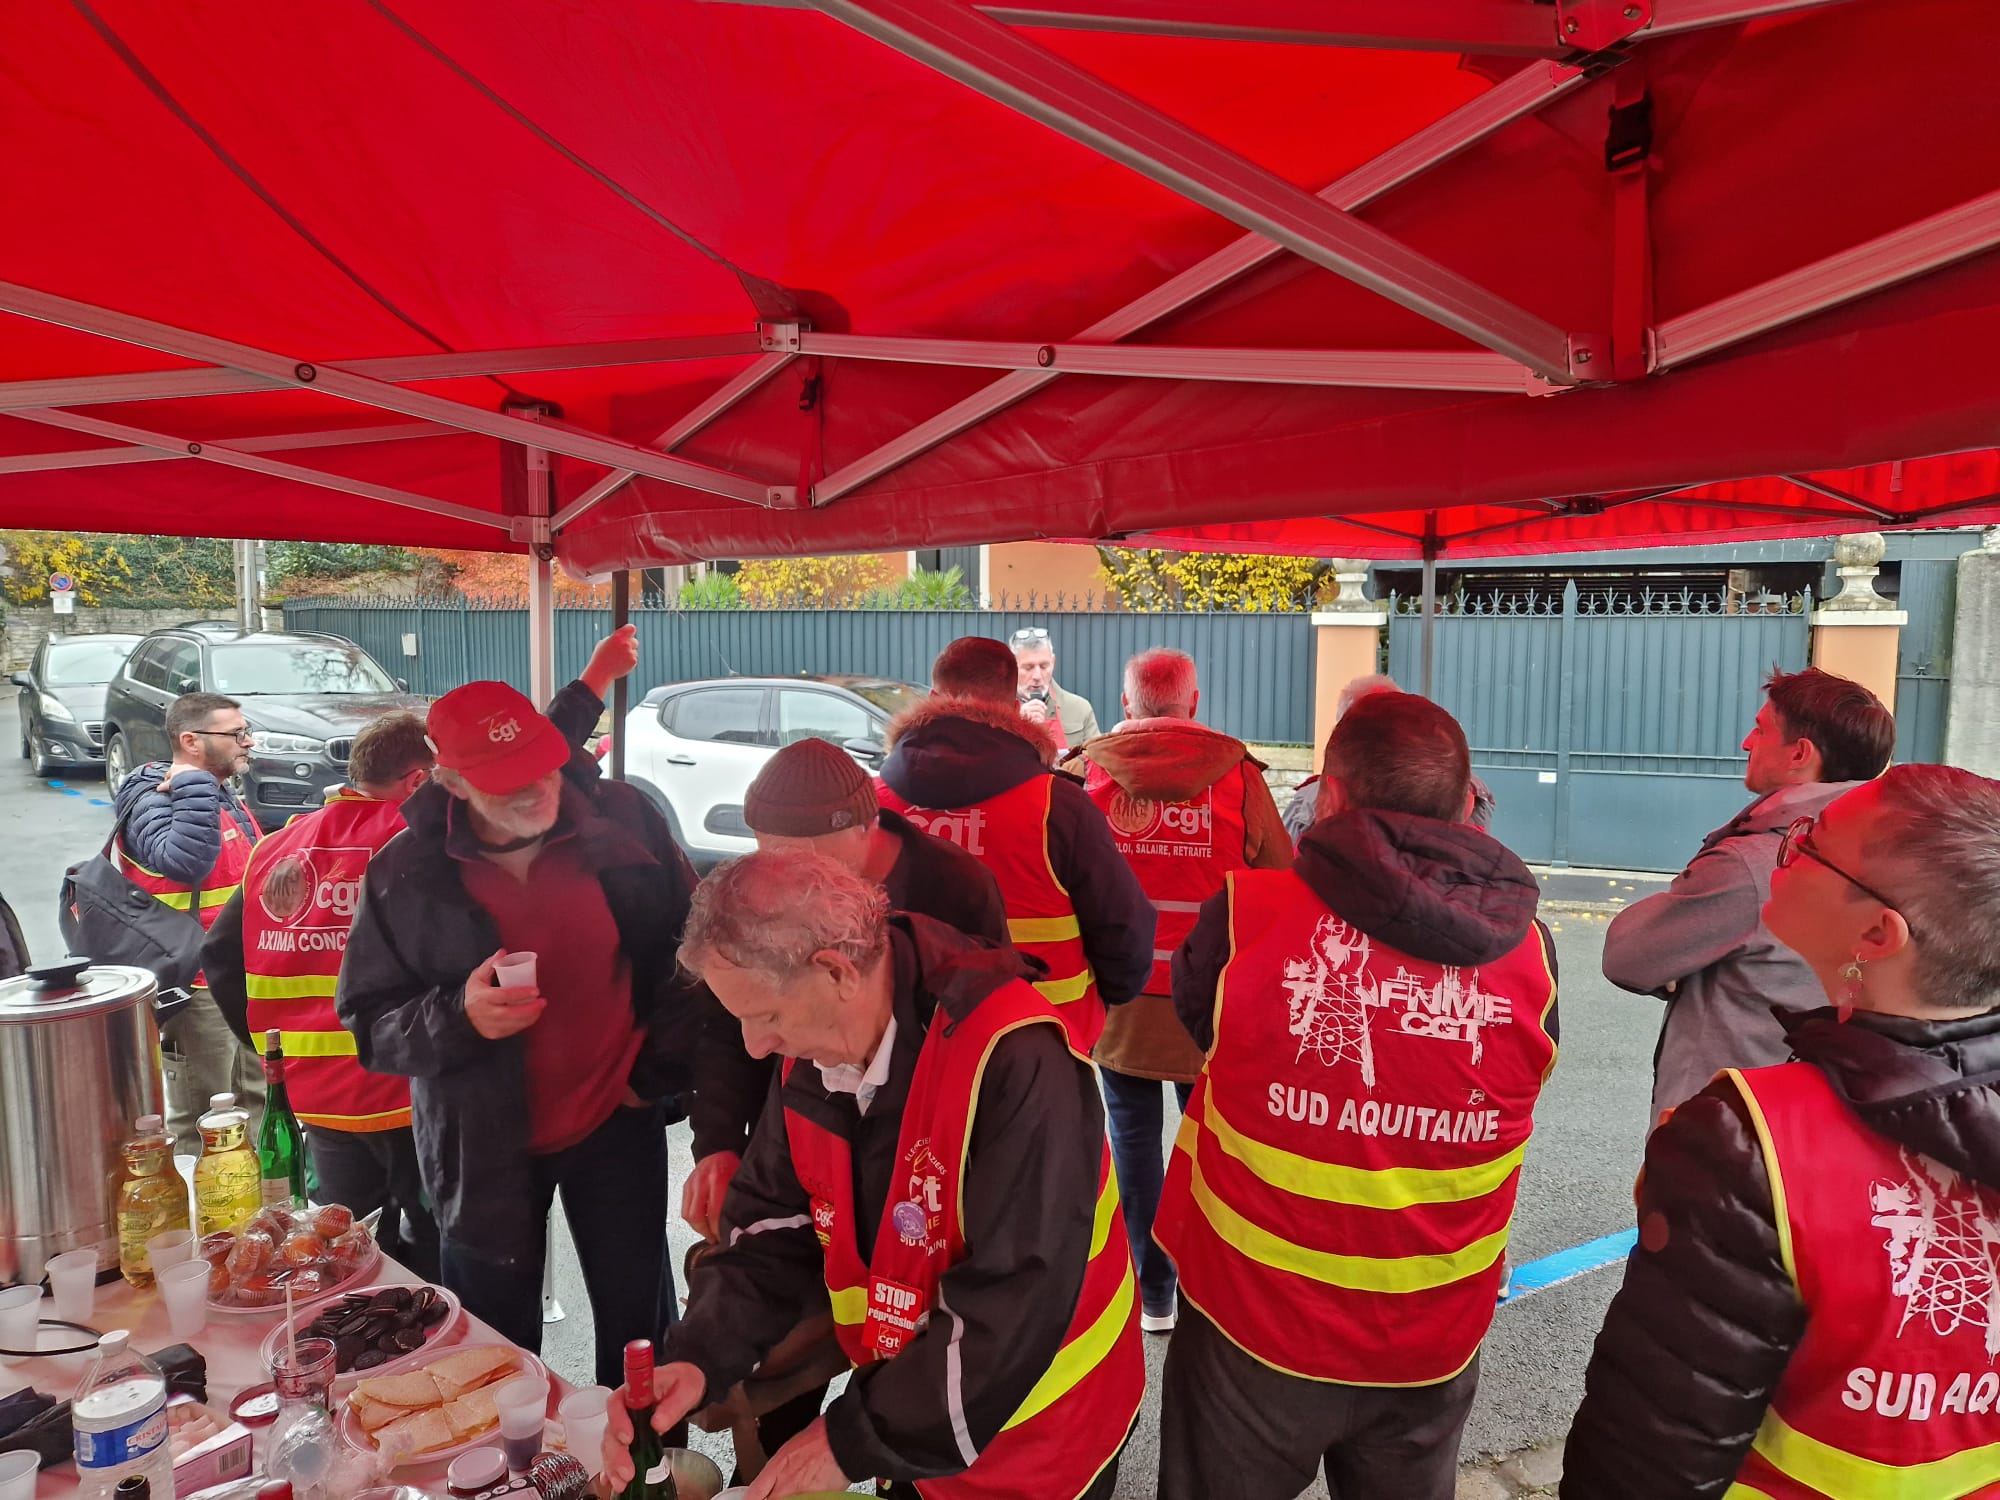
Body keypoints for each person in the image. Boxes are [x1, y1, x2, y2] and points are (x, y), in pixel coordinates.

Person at [604, 851, 1144, 1500]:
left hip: (1042, 1435)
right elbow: (771, 1230)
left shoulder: (1015, 1057)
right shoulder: (818, 1048)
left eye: (765, 1016)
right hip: (915, 1417)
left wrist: (847, 1440)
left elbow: (1013, 1298)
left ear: (835, 971)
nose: (753, 1046)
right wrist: (698, 1357)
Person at [1152, 690, 1559, 1500]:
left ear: (1329, 798)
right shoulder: (1533, 951)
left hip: (1252, 1319)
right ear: (1465, 802)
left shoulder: (1246, 914)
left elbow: (1206, 1032)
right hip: (1431, 1328)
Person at [1563, 764, 2000, 1499]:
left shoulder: (1750, 1139)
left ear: (1876, 932)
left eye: (1807, 843)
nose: (1783, 850)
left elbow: (1653, 1451)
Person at [203, 628, 642, 1279]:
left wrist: (274, 1055)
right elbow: (535, 757)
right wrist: (595, 681)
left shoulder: (275, 848)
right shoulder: (405, 841)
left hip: (317, 1097)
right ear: (429, 782)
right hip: (404, 1094)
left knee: (339, 1264)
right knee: (434, 1251)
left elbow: (219, 959)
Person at [335, 674, 702, 1391]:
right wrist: (459, 1015)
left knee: (639, 1326)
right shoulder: (405, 873)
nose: (535, 789)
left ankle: (640, 1452)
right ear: (450, 782)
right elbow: (370, 1024)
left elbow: (690, 954)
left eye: (542, 765)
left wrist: (656, 1076)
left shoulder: (624, 821)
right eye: (506, 780)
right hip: (481, 1146)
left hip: (615, 1117)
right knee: (494, 1347)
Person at [1064, 646, 1291, 1334]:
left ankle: (1153, 1292)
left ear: (1126, 704)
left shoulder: (1084, 773)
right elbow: (1281, 882)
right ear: (1193, 704)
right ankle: (1206, 1285)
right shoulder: (1238, 777)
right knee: (1211, 1146)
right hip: (1210, 1005)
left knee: (1132, 1141)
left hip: (1121, 1000)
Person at [1603, 666, 1895, 1122]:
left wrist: (1688, 958)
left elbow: (1629, 957)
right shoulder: (1892, 852)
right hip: (1829, 1115)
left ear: (1799, 753)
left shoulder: (1754, 864)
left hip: (1729, 1124)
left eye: (1760, 730)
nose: (1746, 743)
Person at [877, 635, 1154, 1050]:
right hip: (1045, 1040)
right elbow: (1124, 929)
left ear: (933, 699)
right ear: (1012, 705)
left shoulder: (875, 804)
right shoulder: (1057, 804)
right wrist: (1103, 1002)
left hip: (905, 1042)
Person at [113, 690, 265, 1152]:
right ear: (191, 741)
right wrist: (193, 783)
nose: (248, 741)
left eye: (247, 731)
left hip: (237, 975)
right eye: (236, 733)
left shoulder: (217, 794)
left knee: (255, 1104)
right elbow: (186, 863)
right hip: (196, 988)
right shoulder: (154, 799)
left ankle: (259, 1196)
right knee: (206, 1119)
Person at [1011, 625, 1100, 749]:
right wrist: (1014, 721)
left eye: (1044, 666)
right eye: (1028, 668)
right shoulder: (995, 712)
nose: (1037, 676)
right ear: (1012, 666)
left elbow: (1096, 758)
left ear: (1053, 662)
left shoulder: (1079, 709)